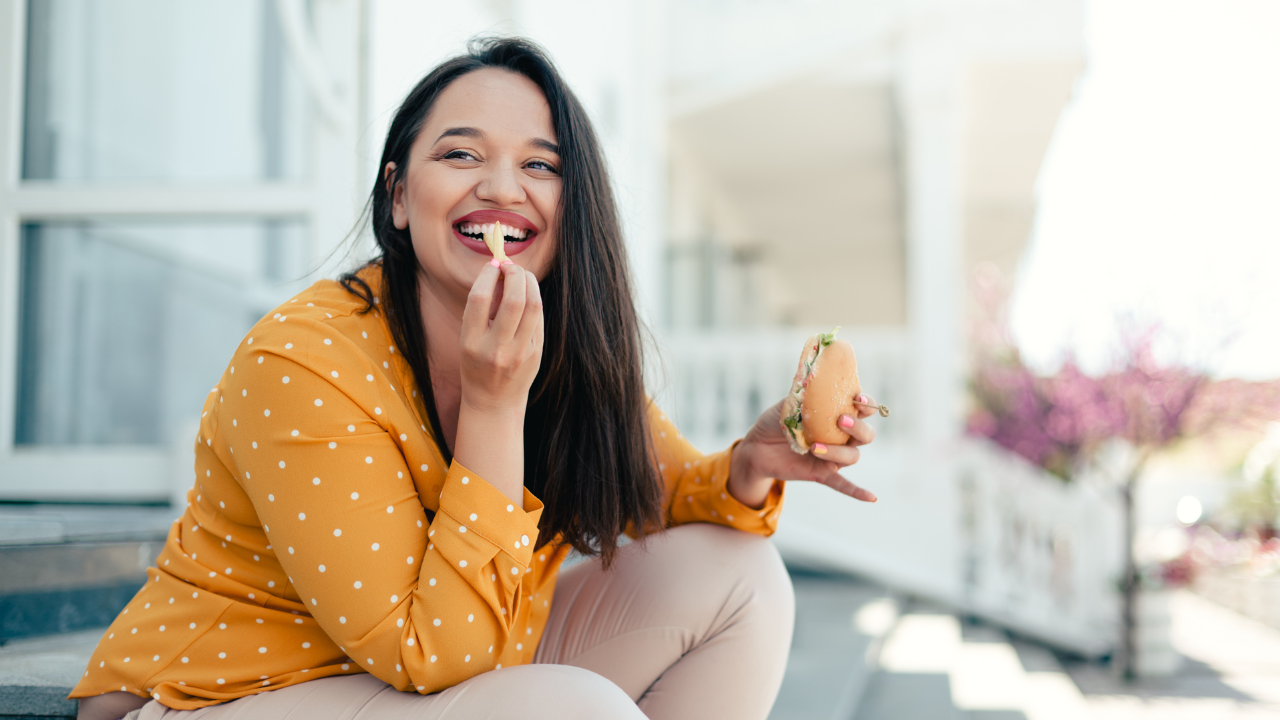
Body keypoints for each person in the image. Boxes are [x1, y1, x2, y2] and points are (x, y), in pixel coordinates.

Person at [71, 37, 878, 720]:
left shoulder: (556, 342)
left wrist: (749, 464)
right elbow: (434, 657)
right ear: (397, 196)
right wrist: (495, 405)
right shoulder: (302, 362)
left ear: (574, 210)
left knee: (740, 578)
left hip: (443, 667)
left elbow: (655, 485)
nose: (501, 187)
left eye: (541, 164)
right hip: (230, 695)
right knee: (570, 708)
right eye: (460, 154)